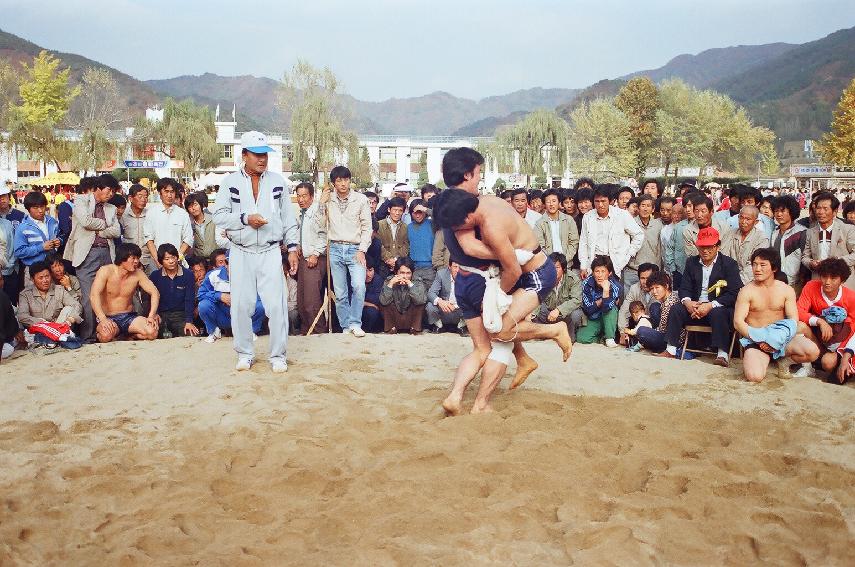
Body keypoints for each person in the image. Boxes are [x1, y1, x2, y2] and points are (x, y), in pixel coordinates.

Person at [432, 148, 569, 415]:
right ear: (467, 174)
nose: (480, 179)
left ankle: (553, 331)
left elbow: (511, 268)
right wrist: (498, 287)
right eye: (478, 173)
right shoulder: (459, 208)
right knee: (494, 336)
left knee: (499, 332)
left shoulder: (470, 210)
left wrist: (497, 294)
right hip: (496, 275)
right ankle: (520, 363)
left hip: (530, 274)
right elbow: (475, 249)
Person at [212, 131, 299, 372]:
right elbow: (218, 216)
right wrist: (245, 219)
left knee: (276, 305)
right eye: (257, 154)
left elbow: (288, 218)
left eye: (265, 155)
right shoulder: (230, 182)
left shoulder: (278, 182)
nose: (262, 159)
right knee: (241, 304)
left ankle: (278, 356)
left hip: (271, 251)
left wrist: (292, 248)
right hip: (241, 250)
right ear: (244, 155)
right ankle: (244, 353)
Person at [658, 227, 743, 366]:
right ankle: (671, 350)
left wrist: (710, 305)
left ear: (717, 246)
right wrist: (688, 303)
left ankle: (722, 354)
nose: (705, 251)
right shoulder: (691, 262)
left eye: (710, 247)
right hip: (695, 306)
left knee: (719, 313)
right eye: (702, 247)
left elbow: (733, 293)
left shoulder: (729, 264)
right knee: (676, 309)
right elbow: (684, 288)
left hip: (717, 307)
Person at [734, 248, 819, 383]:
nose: (757, 269)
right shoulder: (746, 291)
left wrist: (776, 340)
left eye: (762, 265)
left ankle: (784, 361)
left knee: (813, 352)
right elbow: (738, 322)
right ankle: (763, 360)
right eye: (754, 264)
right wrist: (761, 340)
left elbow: (793, 320)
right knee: (754, 377)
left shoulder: (786, 290)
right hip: (757, 341)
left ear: (774, 268)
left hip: (781, 338)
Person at [63, 175, 122, 341]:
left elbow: (117, 231)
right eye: (108, 189)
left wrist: (100, 231)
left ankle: (108, 331)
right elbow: (85, 221)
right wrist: (104, 225)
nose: (111, 194)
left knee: (107, 295)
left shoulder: (110, 208)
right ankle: (88, 336)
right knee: (89, 297)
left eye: (113, 191)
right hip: (86, 254)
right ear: (98, 187)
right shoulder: (81, 200)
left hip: (106, 252)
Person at [317, 166, 372, 337]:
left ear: (350, 180)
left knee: (358, 286)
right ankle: (345, 326)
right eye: (339, 180)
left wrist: (362, 250)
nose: (343, 183)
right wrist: (321, 203)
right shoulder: (328, 198)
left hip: (355, 249)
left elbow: (367, 227)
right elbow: (320, 224)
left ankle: (355, 322)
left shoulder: (361, 199)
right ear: (333, 183)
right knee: (340, 292)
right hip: (334, 248)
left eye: (346, 179)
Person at [796, 258, 855, 383]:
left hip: (839, 344)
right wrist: (820, 321)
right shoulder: (811, 286)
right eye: (824, 277)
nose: (827, 282)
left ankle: (835, 364)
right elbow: (799, 311)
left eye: (833, 278)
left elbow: (853, 330)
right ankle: (807, 367)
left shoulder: (851, 297)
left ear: (842, 280)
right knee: (799, 325)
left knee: (827, 364)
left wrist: (844, 354)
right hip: (818, 338)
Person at [90, 243, 160, 343]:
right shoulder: (105, 271)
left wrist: (151, 316)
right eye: (133, 258)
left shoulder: (138, 273)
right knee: (106, 336)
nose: (136, 261)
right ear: (122, 258)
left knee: (152, 332)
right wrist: (102, 318)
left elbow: (155, 292)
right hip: (109, 317)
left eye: (138, 258)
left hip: (129, 317)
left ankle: (130, 335)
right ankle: (103, 333)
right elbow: (94, 295)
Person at [577, 185, 644, 279]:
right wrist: (583, 265)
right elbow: (583, 243)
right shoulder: (588, 217)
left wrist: (628, 254)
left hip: (615, 262)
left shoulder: (622, 215)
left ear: (610, 201)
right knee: (594, 292)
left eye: (603, 201)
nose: (600, 205)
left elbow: (638, 235)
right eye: (597, 201)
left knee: (614, 292)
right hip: (594, 262)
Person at [197, 253, 264, 343]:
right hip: (222, 315)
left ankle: (249, 332)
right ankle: (214, 332)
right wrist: (219, 296)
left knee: (261, 306)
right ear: (226, 263)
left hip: (243, 315)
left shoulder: (250, 275)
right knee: (203, 305)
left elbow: (260, 298)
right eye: (230, 263)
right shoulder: (213, 275)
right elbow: (201, 294)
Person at [801, 191, 855, 289]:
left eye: (825, 209)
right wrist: (811, 263)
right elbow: (805, 257)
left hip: (843, 283)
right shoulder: (810, 232)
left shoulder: (848, 229)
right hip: (819, 282)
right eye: (818, 208)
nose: (821, 212)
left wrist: (836, 262)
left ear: (834, 212)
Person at [294, 181, 328, 335]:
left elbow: (323, 234)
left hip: (315, 259)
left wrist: (315, 254)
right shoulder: (303, 213)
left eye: (304, 196)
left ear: (312, 196)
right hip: (304, 259)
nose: (301, 199)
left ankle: (319, 331)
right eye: (298, 196)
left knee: (311, 301)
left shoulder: (317, 211)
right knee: (301, 300)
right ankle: (306, 330)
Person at [149, 243, 199, 338]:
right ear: (161, 261)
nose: (171, 261)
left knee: (191, 335)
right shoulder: (154, 276)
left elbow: (189, 299)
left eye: (173, 257)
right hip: (160, 315)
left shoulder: (188, 274)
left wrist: (189, 321)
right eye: (166, 259)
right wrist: (153, 314)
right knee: (151, 333)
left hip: (181, 315)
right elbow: (148, 299)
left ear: (177, 258)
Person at [532, 252, 583, 341]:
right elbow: (537, 297)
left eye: (557, 268)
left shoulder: (573, 279)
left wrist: (559, 310)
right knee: (536, 310)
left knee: (576, 314)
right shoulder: (543, 278)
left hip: (565, 316)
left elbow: (576, 300)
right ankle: (546, 334)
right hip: (549, 314)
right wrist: (532, 314)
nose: (553, 271)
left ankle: (568, 335)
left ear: (563, 269)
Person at [145, 178, 193, 271]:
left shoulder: (182, 214)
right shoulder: (151, 213)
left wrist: (177, 258)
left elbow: (188, 238)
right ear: (160, 192)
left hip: (178, 263)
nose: (169, 195)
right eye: (166, 191)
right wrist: (158, 260)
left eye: (172, 192)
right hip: (157, 264)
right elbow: (148, 239)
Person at [16, 261, 82, 329]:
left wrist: (69, 320)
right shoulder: (25, 294)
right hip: (37, 330)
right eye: (41, 278)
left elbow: (77, 305)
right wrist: (45, 325)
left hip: (59, 329)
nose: (45, 280)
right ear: (32, 279)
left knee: (69, 309)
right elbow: (22, 316)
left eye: (47, 276)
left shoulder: (59, 290)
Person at [634, 271, 684, 354]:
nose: (654, 292)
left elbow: (663, 330)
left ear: (666, 286)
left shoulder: (669, 303)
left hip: (675, 341)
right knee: (654, 306)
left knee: (641, 331)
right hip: (671, 335)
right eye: (652, 288)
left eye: (657, 288)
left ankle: (663, 349)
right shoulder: (672, 296)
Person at [577, 256, 622, 346]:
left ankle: (609, 338)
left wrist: (606, 290)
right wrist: (602, 300)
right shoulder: (586, 284)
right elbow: (588, 309)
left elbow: (607, 308)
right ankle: (601, 339)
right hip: (594, 317)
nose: (600, 275)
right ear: (593, 273)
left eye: (603, 271)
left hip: (609, 318)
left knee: (612, 309)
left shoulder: (615, 286)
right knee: (581, 338)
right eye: (597, 271)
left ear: (609, 273)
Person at [721, 205, 771, 284]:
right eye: (741, 218)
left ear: (756, 222)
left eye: (748, 219)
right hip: (727, 279)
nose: (743, 222)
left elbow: (753, 265)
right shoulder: (730, 233)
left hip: (751, 281)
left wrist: (736, 283)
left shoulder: (761, 239)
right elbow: (723, 257)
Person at [13, 191, 61, 269]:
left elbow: (59, 235)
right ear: (28, 209)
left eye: (42, 206)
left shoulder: (52, 222)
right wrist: (41, 247)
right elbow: (19, 252)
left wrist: (59, 241)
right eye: (35, 207)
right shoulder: (23, 228)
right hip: (34, 269)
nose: (40, 211)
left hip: (53, 266)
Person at [379, 257, 427, 334]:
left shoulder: (417, 281)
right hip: (395, 318)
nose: (405, 276)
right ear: (396, 272)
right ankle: (391, 328)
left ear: (412, 273)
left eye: (408, 273)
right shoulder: (389, 280)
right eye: (402, 272)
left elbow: (420, 300)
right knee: (384, 300)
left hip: (410, 318)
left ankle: (415, 328)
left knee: (421, 302)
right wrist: (391, 284)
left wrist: (410, 285)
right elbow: (383, 302)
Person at [625, 194, 663, 287]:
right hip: (633, 270)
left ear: (653, 209)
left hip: (653, 272)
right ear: (638, 208)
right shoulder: (630, 223)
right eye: (643, 205)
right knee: (630, 300)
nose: (645, 209)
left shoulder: (659, 225)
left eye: (648, 206)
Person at [617, 263, 658, 345]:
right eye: (642, 278)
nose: (645, 281)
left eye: (648, 278)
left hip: (656, 327)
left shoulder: (659, 289)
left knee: (655, 307)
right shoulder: (634, 289)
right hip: (639, 325)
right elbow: (624, 311)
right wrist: (622, 332)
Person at [533, 189, 579, 260]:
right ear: (544, 204)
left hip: (567, 263)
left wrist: (565, 260)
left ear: (559, 203)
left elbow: (574, 242)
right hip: (548, 263)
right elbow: (540, 245)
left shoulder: (569, 220)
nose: (551, 204)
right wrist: (551, 262)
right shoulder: (539, 223)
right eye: (548, 202)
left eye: (554, 201)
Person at [771, 195, 807, 286]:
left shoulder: (802, 233)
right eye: (776, 211)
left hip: (795, 283)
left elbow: (805, 260)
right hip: (775, 282)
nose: (779, 214)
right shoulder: (774, 233)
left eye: (783, 211)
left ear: (791, 212)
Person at [426, 260, 466, 335]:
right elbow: (431, 293)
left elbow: (471, 297)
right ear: (449, 267)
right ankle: (439, 326)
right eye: (455, 267)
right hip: (444, 311)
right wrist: (440, 302)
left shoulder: (468, 275)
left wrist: (456, 305)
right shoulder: (441, 274)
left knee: (473, 305)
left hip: (460, 311)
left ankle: (462, 326)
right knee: (430, 306)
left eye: (460, 267)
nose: (458, 270)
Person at [121, 184, 152, 271]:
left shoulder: (151, 215)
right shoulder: (123, 215)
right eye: (140, 196)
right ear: (130, 198)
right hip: (128, 261)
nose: (143, 200)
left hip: (148, 260)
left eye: (146, 197)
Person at [378, 196, 409, 278]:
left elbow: (406, 246)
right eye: (395, 210)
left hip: (399, 264)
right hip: (382, 263)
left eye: (400, 210)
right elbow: (378, 245)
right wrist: (388, 259)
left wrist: (395, 260)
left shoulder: (405, 227)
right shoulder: (379, 225)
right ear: (389, 210)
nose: (397, 213)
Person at [407, 199, 435, 286]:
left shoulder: (432, 224)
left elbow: (443, 217)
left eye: (420, 212)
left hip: (430, 267)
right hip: (414, 268)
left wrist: (425, 209)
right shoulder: (409, 227)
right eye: (415, 212)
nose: (418, 215)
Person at [185, 192, 219, 259]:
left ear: (201, 205)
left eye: (195, 204)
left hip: (215, 258)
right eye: (190, 206)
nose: (193, 208)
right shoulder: (188, 224)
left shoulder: (213, 219)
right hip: (199, 260)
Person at [361, 263, 384, 333]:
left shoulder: (378, 279)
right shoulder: (353, 279)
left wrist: (361, 301)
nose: (368, 274)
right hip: (354, 309)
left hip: (368, 311)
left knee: (372, 312)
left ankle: (368, 332)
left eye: (370, 270)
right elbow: (349, 299)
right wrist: (368, 303)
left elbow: (377, 299)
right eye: (364, 271)